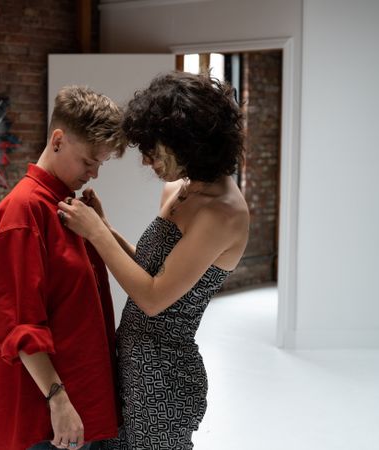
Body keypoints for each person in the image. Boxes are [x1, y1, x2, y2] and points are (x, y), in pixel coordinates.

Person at [57, 71, 250, 450]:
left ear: (189, 143)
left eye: (153, 148)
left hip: (163, 378)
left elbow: (153, 296)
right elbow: (149, 269)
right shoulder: (181, 189)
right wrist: (106, 227)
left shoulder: (224, 214)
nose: (146, 161)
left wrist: (96, 233)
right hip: (132, 362)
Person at [0, 85, 126, 450]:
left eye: (100, 164)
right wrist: (58, 401)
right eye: (87, 162)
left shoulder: (67, 206)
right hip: (48, 419)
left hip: (82, 405)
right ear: (58, 140)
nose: (94, 174)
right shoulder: (23, 211)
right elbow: (19, 323)